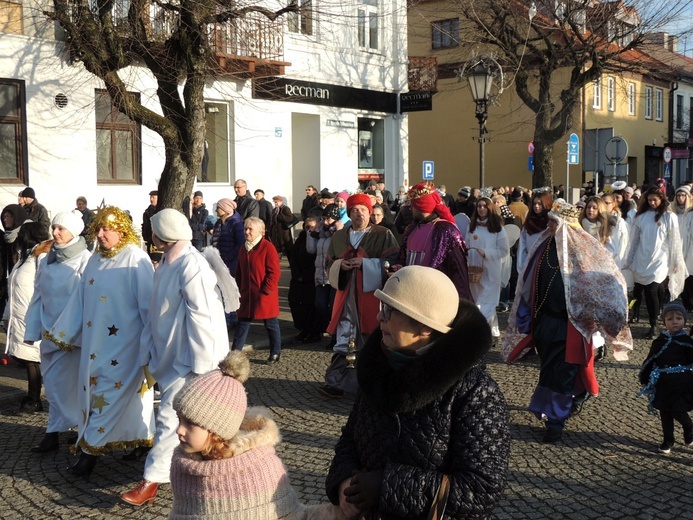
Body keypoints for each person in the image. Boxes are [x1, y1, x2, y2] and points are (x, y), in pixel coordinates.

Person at [325, 265, 510, 519]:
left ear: (425, 326)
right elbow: (349, 440)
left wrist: (387, 487)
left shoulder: (476, 391)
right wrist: (344, 482)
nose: (379, 318)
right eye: (382, 308)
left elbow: (481, 488)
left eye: (389, 311)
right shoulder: (378, 368)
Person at [121, 209, 236, 506]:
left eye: (153, 229)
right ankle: (206, 473)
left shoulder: (191, 265)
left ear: (164, 232)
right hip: (170, 356)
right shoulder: (169, 262)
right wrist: (150, 349)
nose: (150, 234)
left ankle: (151, 480)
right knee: (193, 423)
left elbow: (205, 318)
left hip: (188, 360)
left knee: (171, 419)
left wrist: (204, 365)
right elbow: (156, 312)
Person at [502, 201, 633, 442]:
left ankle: (556, 422)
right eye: (549, 220)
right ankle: (563, 403)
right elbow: (531, 283)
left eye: (554, 221)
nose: (549, 224)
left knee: (564, 372)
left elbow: (607, 279)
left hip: (571, 325)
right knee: (550, 370)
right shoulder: (544, 247)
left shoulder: (583, 250)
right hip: (544, 323)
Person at [168, 351, 344, 519]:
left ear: (217, 429)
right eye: (179, 419)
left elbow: (286, 514)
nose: (179, 430)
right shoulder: (183, 464)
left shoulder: (260, 468)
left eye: (190, 423)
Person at [51, 206, 155, 477]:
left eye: (106, 229)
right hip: (95, 347)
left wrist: (152, 346)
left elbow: (149, 307)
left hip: (127, 348)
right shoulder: (95, 259)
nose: (100, 234)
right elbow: (80, 299)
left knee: (110, 394)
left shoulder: (136, 260)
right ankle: (141, 440)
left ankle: (89, 453)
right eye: (98, 228)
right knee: (100, 395)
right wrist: (63, 333)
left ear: (121, 230)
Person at [24, 210, 92, 453]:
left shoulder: (86, 260)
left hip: (74, 338)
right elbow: (38, 296)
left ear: (74, 231)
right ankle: (54, 431)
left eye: (61, 228)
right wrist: (31, 329)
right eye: (54, 227)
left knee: (74, 386)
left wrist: (75, 333)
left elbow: (88, 301)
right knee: (52, 385)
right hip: (48, 332)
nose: (55, 233)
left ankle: (77, 431)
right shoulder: (46, 260)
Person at [319, 194, 399, 398]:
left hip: (371, 298)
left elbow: (393, 263)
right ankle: (335, 383)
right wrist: (340, 265)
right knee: (344, 337)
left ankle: (371, 385)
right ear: (349, 213)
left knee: (371, 338)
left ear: (369, 212)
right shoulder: (339, 236)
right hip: (345, 297)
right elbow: (328, 264)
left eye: (362, 210)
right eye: (354, 210)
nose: (359, 214)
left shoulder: (383, 234)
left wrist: (365, 264)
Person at [624, 187, 686, 339]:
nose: (652, 203)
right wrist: (629, 259)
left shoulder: (668, 217)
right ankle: (654, 312)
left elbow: (674, 241)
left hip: (659, 258)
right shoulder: (641, 216)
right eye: (650, 200)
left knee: (652, 289)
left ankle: (654, 325)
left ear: (662, 200)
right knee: (646, 290)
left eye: (655, 200)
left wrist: (676, 260)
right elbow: (634, 240)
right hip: (642, 257)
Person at [2, 222, 51, 413]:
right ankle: (32, 395)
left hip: (31, 314)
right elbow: (13, 289)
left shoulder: (42, 257)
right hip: (18, 314)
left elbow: (45, 287)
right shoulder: (26, 257)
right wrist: (7, 314)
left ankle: (34, 398)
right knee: (24, 356)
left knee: (32, 357)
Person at [397, 181, 473, 301]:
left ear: (420, 206)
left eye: (413, 205)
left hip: (435, 294)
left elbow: (458, 270)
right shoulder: (411, 228)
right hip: (410, 292)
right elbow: (403, 257)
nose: (411, 209)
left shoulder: (446, 230)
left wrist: (462, 302)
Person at [638, 301, 693, 454]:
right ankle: (668, 439)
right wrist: (645, 379)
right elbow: (650, 360)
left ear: (684, 321)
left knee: (678, 410)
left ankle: (689, 427)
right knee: (665, 412)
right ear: (664, 322)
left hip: (682, 384)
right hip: (663, 384)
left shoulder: (687, 342)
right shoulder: (659, 342)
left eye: (678, 318)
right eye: (670, 319)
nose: (674, 321)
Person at [232, 217, 282, 364]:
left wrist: (266, 290)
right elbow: (239, 271)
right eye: (245, 229)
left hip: (264, 295)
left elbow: (274, 272)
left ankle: (275, 352)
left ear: (260, 231)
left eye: (250, 229)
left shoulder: (268, 247)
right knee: (242, 323)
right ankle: (235, 353)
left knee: (271, 324)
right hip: (247, 294)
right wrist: (238, 289)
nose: (246, 232)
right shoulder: (243, 248)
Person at [466, 196, 510, 339]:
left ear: (490, 208)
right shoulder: (471, 226)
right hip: (474, 270)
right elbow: (466, 244)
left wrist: (487, 253)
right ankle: (493, 332)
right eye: (479, 206)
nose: (482, 209)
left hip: (491, 271)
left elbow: (504, 250)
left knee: (485, 302)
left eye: (485, 206)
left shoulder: (497, 228)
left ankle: (476, 333)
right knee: (479, 300)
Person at [306, 204, 342, 346]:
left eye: (329, 219)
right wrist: (311, 232)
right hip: (320, 276)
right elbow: (311, 250)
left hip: (332, 276)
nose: (326, 222)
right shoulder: (321, 233)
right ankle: (327, 329)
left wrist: (337, 232)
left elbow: (339, 250)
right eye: (325, 219)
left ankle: (335, 337)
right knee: (320, 305)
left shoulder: (337, 232)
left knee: (334, 307)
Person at [288, 217, 321, 344]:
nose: (309, 229)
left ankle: (314, 332)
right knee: (296, 303)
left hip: (312, 278)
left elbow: (318, 260)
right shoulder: (300, 239)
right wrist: (297, 274)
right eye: (307, 227)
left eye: (312, 227)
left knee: (311, 307)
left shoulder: (318, 239)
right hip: (298, 277)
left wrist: (307, 275)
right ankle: (303, 330)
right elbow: (293, 257)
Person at [1, 204, 28, 318]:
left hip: (21, 282)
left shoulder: (24, 236)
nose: (5, 219)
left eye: (8, 216)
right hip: (6, 281)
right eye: (4, 217)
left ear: (16, 217)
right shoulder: (5, 237)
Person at [517, 188, 552, 276]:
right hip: (530, 263)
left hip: (545, 265)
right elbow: (522, 245)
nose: (536, 206)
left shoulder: (550, 225)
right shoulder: (529, 223)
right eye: (535, 204)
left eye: (539, 204)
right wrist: (522, 266)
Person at [211, 198, 245, 277]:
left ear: (225, 209)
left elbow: (241, 242)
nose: (216, 210)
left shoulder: (236, 223)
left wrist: (227, 257)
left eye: (218, 208)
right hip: (219, 260)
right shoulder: (219, 222)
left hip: (231, 262)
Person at [142, 190, 160, 261]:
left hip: (159, 240)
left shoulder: (161, 210)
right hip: (150, 241)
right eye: (150, 197)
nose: (151, 199)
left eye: (153, 197)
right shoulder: (147, 212)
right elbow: (145, 226)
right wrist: (146, 237)